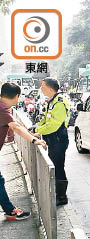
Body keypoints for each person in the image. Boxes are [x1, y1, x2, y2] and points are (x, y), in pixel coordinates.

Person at [0, 82, 47, 221]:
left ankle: (10, 210)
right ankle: (10, 211)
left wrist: (31, 134)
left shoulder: (3, 107)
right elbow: (15, 126)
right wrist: (33, 140)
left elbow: (16, 123)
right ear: (16, 96)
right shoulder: (2, 109)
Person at [35, 78, 71, 206]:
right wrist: (35, 128)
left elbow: (53, 125)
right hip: (53, 139)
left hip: (58, 140)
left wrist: (38, 130)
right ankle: (56, 193)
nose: (41, 88)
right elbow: (45, 119)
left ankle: (62, 197)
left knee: (58, 167)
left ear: (50, 88)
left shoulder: (60, 102)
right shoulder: (52, 101)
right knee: (55, 166)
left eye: (42, 86)